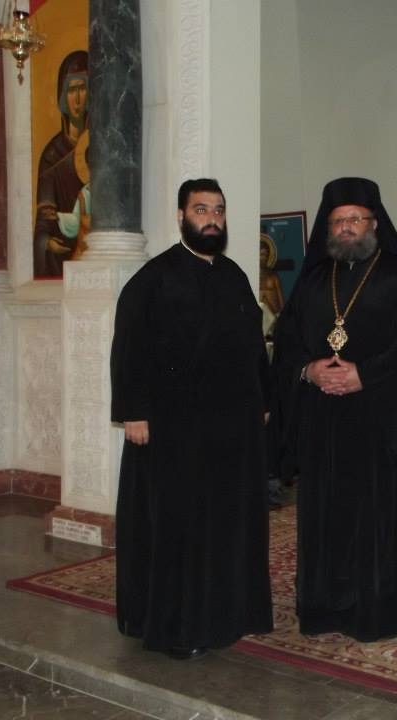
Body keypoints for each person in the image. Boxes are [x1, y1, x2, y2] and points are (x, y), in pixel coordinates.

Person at [110, 178, 274, 659]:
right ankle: (178, 626)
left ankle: (230, 613)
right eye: (201, 210)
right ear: (181, 216)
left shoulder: (234, 276)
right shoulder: (153, 279)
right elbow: (129, 349)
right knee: (180, 528)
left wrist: (264, 400)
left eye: (218, 210)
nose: (212, 219)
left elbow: (253, 346)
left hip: (230, 431)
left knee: (226, 524)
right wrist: (133, 412)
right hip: (172, 430)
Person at [273, 176, 397, 642]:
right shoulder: (313, 282)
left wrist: (366, 374)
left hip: (379, 424)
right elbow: (286, 344)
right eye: (338, 220)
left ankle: (380, 609)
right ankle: (323, 608)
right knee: (326, 518)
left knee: (377, 519)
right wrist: (309, 371)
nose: (347, 227)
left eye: (355, 219)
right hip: (323, 422)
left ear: (374, 224)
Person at [34, 50, 89, 277]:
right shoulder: (52, 155)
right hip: (64, 251)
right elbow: (44, 220)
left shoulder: (102, 147)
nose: (77, 98)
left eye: (82, 88)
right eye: (71, 90)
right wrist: (46, 243)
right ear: (62, 96)